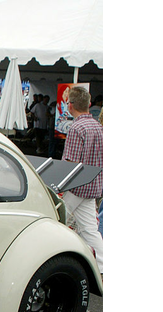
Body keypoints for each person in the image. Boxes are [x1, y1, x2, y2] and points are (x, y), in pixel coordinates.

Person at [61, 86, 103, 275]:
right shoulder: (98, 127)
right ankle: (103, 265)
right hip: (93, 185)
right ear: (89, 104)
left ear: (70, 105)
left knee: (56, 219)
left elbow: (71, 161)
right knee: (89, 229)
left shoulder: (77, 127)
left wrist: (60, 185)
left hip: (76, 186)